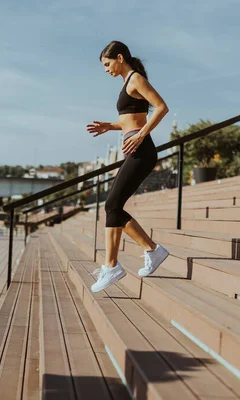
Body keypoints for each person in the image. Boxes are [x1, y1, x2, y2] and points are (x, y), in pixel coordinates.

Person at [86, 41, 170, 293]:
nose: (106, 69)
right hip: (135, 151)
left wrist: (142, 134)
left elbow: (162, 107)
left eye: (107, 63)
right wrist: (109, 126)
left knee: (112, 205)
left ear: (120, 58)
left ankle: (112, 266)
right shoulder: (127, 83)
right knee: (113, 206)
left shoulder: (135, 79)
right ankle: (153, 250)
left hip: (142, 151)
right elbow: (130, 119)